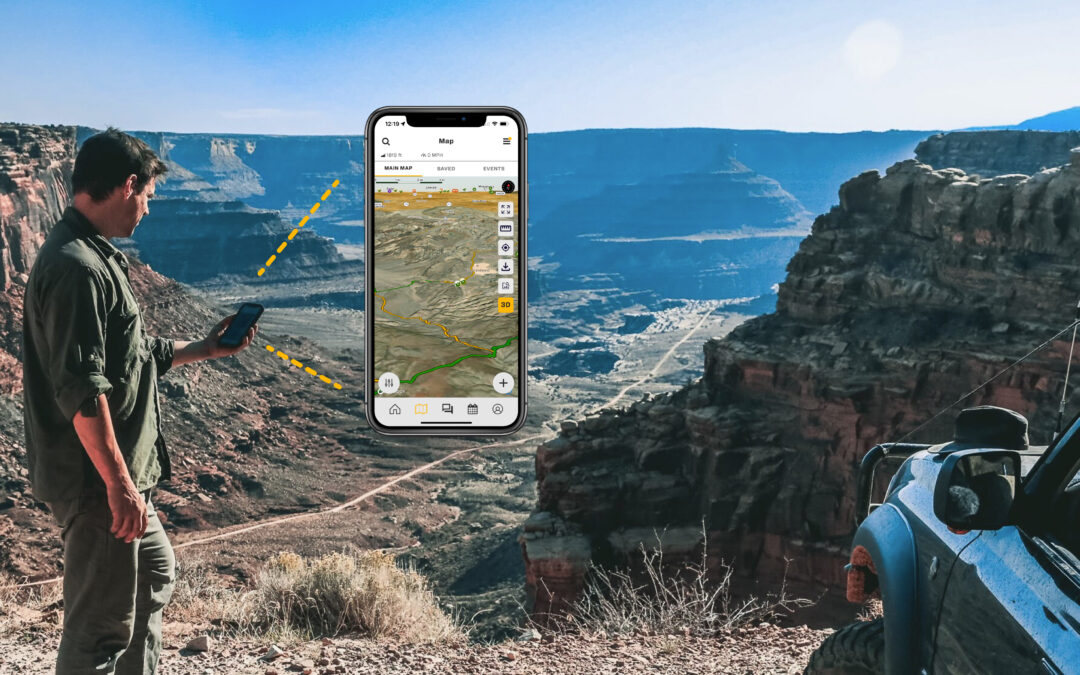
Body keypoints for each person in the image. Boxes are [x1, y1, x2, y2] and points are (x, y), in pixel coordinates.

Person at [21, 128, 258, 674]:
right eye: (148, 194)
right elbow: (84, 391)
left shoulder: (94, 255)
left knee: (153, 573)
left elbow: (132, 356)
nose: (149, 208)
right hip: (97, 483)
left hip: (113, 480)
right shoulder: (77, 267)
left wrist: (206, 348)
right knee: (98, 632)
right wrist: (119, 486)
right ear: (128, 186)